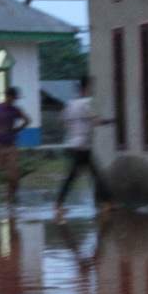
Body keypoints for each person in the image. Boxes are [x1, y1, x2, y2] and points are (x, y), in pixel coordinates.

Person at [54, 76, 113, 222]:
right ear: (85, 88)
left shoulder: (70, 104)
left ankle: (106, 203)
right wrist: (111, 121)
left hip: (74, 145)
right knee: (92, 175)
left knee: (87, 174)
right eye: (91, 87)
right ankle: (105, 203)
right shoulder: (86, 103)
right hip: (83, 146)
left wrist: (73, 128)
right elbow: (97, 121)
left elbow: (60, 120)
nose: (92, 89)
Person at [0, 87, 31, 202]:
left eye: (16, 98)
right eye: (14, 98)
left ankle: (10, 198)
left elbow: (27, 120)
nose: (15, 100)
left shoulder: (15, 110)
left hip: (10, 146)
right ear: (8, 96)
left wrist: (17, 129)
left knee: (14, 175)